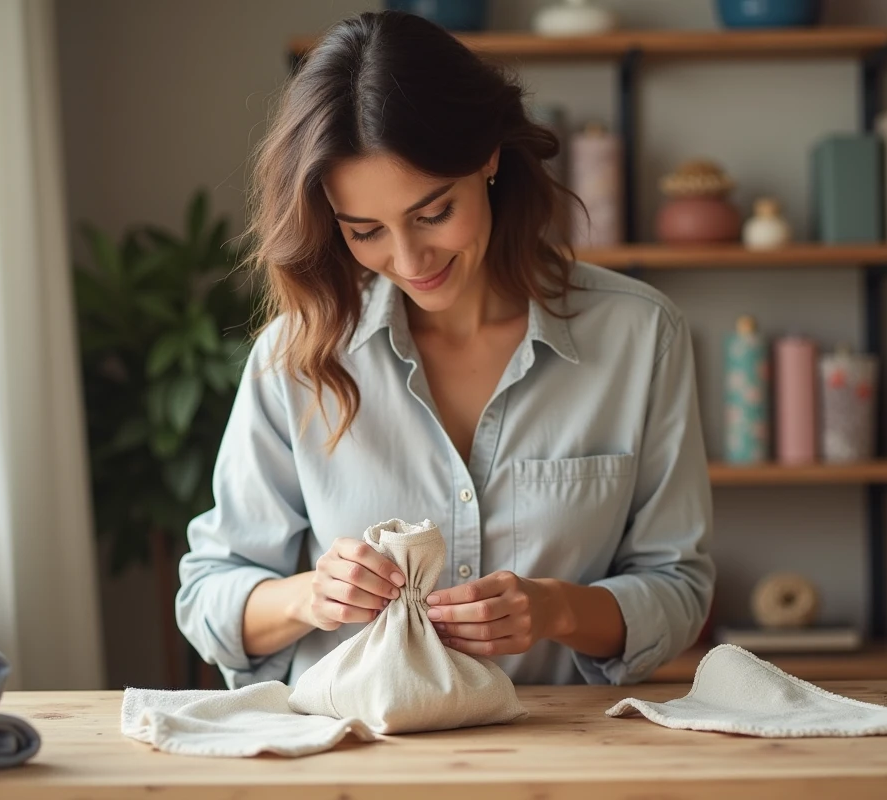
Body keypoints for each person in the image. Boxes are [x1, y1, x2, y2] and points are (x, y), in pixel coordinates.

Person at [176, 9, 714, 689]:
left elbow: (678, 588)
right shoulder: (297, 357)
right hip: (355, 748)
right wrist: (311, 596)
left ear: (487, 156)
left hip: (558, 745)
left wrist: (556, 609)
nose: (408, 260)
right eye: (365, 231)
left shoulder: (641, 336)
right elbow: (209, 594)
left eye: (433, 214)